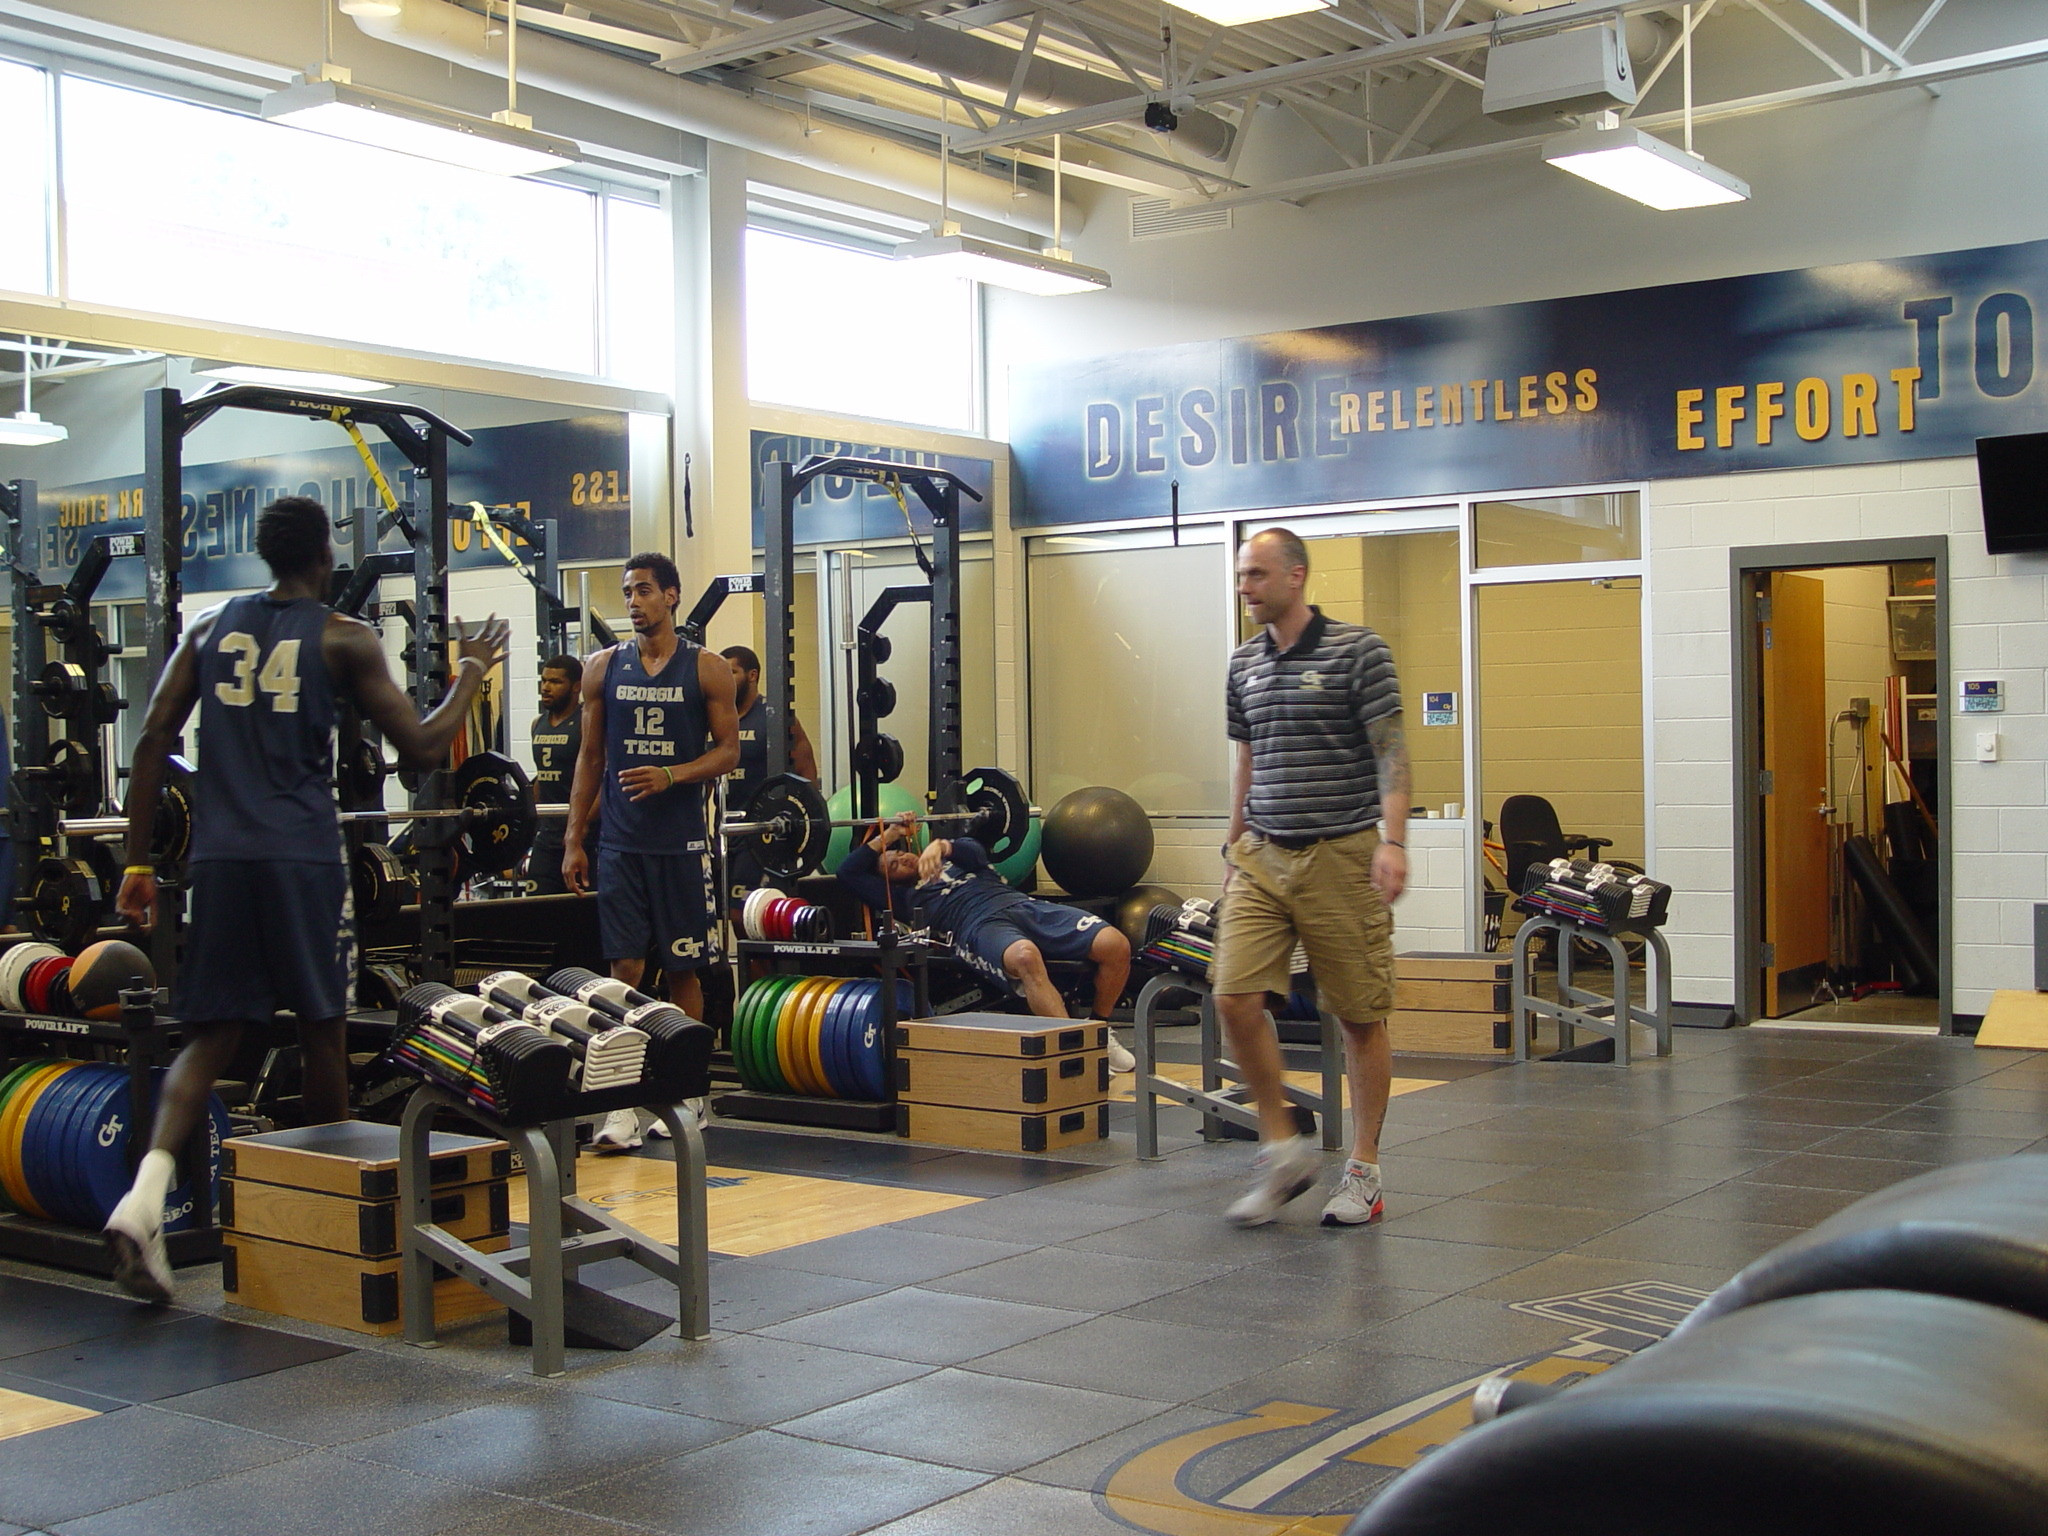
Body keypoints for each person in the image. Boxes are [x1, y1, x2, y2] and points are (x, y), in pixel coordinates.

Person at [104, 496, 509, 1302]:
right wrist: (470, 674)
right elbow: (425, 746)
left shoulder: (208, 630)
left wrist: (139, 862)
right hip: (302, 862)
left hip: (217, 863)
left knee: (211, 1035)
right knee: (323, 1031)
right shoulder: (342, 637)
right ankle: (322, 1222)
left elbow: (151, 739)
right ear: (324, 557)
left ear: (263, 555)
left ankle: (142, 1198)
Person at [1213, 527, 1406, 1229]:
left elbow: (1391, 754)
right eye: (1242, 575)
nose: (1245, 587)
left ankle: (1364, 1170)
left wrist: (1395, 842)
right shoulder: (1242, 665)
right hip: (1263, 853)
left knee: (1358, 1015)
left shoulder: (1359, 652)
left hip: (1342, 853)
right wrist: (1233, 850)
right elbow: (1246, 762)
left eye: (1257, 574)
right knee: (1233, 996)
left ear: (1296, 577)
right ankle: (1283, 1147)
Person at [564, 552, 739, 1151]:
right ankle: (625, 1103)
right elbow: (589, 760)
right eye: (627, 592)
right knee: (625, 972)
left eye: (643, 591)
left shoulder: (708, 669)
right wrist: (573, 839)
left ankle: (687, 1090)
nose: (633, 602)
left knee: (684, 970)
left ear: (672, 595)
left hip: (682, 845)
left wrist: (673, 774)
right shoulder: (601, 667)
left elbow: (728, 754)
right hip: (620, 844)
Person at [837, 814, 1137, 1073]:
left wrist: (943, 846)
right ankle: (1077, 1051)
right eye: (893, 866)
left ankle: (1099, 1029)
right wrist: (886, 836)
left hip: (1024, 906)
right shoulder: (906, 898)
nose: (902, 859)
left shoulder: (958, 859)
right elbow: (847, 872)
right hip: (978, 926)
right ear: (891, 883)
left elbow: (977, 851)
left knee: (1116, 944)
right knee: (1025, 957)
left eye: (900, 853)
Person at [719, 644, 818, 918]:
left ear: (752, 675)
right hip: (726, 829)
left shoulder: (774, 717)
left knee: (746, 915)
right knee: (723, 913)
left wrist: (804, 824)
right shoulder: (716, 718)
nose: (726, 679)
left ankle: (763, 961)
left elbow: (806, 769)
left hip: (762, 832)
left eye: (732, 672)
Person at [527, 653, 587, 895]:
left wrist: (579, 827)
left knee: (578, 914)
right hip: (547, 836)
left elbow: (602, 782)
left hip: (582, 835)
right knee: (537, 911)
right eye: (544, 681)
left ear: (576, 687)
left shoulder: (586, 722)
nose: (546, 688)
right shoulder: (537, 724)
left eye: (555, 682)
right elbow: (542, 777)